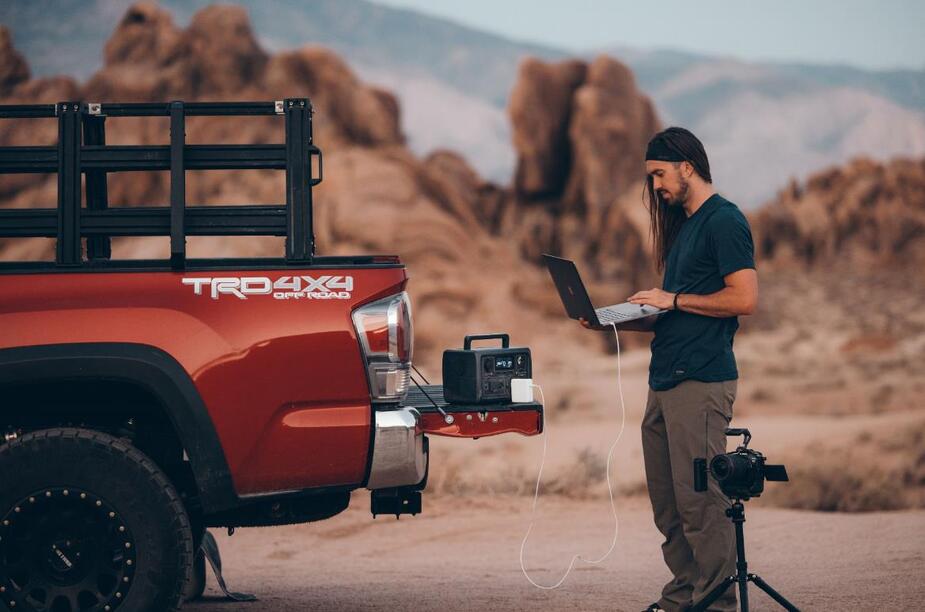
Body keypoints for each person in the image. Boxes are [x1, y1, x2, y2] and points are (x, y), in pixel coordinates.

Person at [580, 127, 757, 612]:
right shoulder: (685, 225)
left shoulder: (724, 221)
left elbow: (744, 299)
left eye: (659, 174)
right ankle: (685, 595)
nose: (656, 186)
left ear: (687, 165)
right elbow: (678, 314)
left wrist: (672, 297)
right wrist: (614, 322)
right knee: (670, 506)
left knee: (701, 502)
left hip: (701, 380)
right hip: (665, 381)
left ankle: (716, 603)